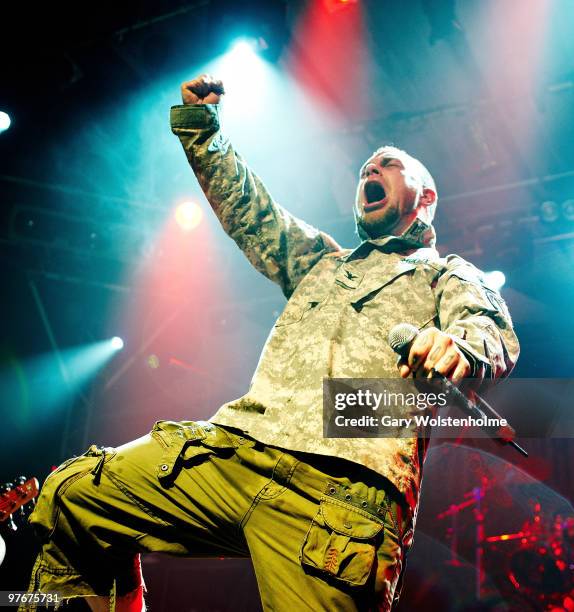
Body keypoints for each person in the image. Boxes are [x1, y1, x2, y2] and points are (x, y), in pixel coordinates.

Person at [21, 75, 519, 612]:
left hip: (338, 499)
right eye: (365, 168)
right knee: (75, 496)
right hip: (239, 451)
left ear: (426, 197)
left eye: (388, 165)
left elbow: (488, 329)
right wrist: (203, 129)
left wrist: (459, 349)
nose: (370, 171)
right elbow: (253, 211)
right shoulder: (320, 263)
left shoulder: (446, 274)